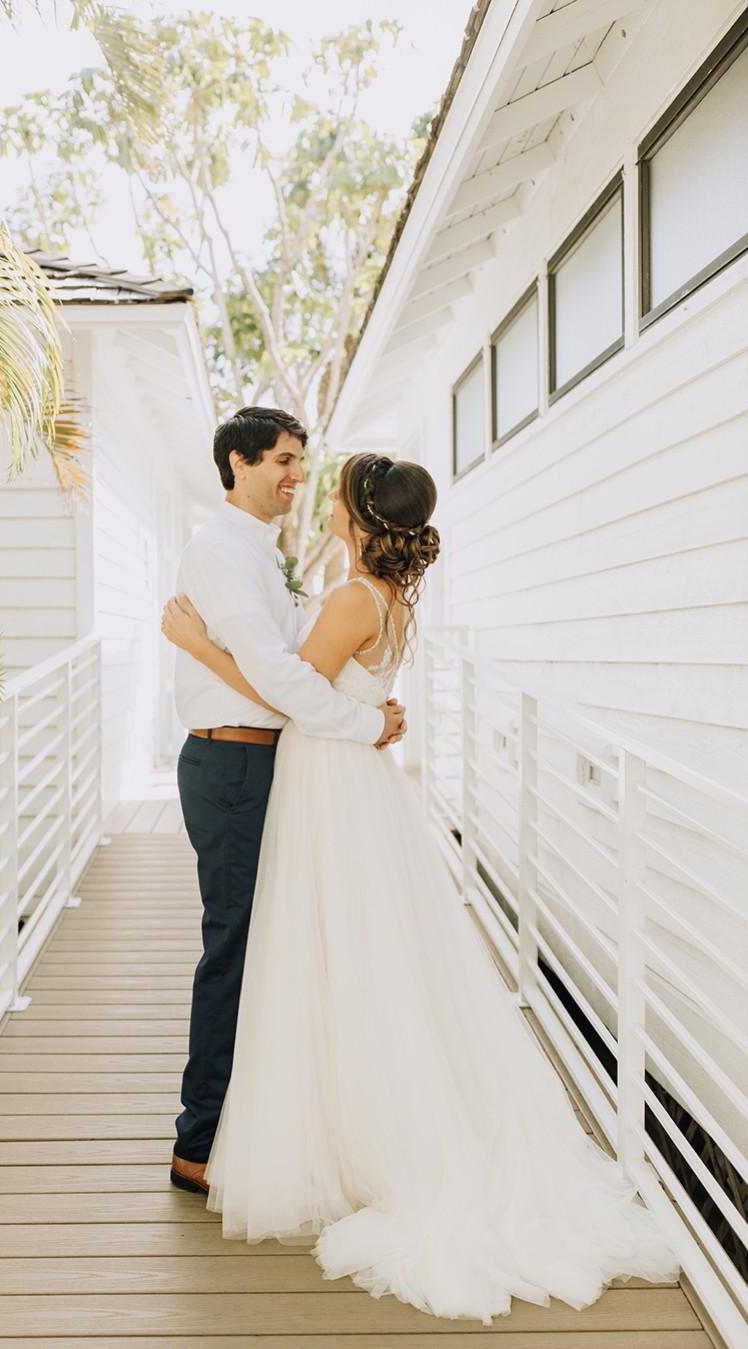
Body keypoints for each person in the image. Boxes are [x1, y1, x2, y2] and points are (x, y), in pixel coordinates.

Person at [160, 449, 678, 1324]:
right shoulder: (383, 596)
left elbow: (291, 692)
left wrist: (197, 643)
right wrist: (372, 719)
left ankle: (351, 1133)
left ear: (361, 512)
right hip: (354, 783)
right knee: (360, 949)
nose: (318, 492)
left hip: (329, 781)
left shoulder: (354, 597)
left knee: (328, 947)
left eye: (334, 487)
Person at [165, 409, 407, 1197]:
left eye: (302, 462)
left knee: (275, 942)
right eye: (283, 460)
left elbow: (294, 665)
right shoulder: (221, 550)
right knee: (234, 947)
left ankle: (260, 1119)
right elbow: (279, 678)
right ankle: (197, 1142)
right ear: (238, 462)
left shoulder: (262, 553)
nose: (297, 475)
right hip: (232, 760)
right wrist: (367, 721)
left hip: (264, 759)